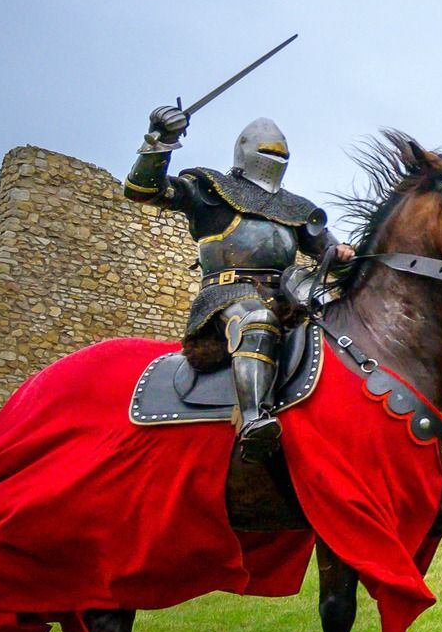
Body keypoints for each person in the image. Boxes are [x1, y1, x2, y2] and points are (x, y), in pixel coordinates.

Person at [122, 107, 354, 466]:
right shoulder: (212, 190)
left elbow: (332, 257)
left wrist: (342, 255)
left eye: (281, 153)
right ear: (244, 150)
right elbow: (142, 190)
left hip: (289, 298)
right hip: (228, 295)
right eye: (268, 151)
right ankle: (253, 419)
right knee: (257, 321)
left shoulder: (297, 208)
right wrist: (162, 138)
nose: (274, 158)